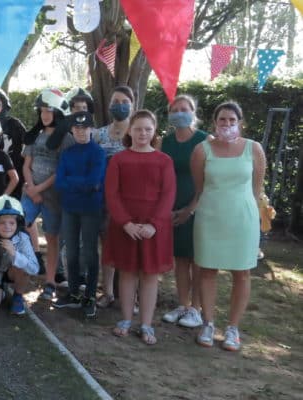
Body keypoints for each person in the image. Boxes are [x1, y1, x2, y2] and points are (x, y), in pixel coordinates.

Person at [192, 102, 266, 351]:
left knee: (242, 273)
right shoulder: (202, 150)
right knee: (208, 270)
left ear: (240, 122)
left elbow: (256, 188)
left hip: (242, 220)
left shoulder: (253, 149)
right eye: (222, 119)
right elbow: (200, 187)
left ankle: (233, 329)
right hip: (210, 217)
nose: (227, 124)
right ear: (215, 122)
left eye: (232, 120)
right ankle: (208, 323)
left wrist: (253, 215)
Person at [104, 110, 176, 345]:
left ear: (154, 131)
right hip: (125, 226)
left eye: (147, 129)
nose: (142, 133)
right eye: (138, 128)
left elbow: (168, 195)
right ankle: (125, 319)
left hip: (154, 227)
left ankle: (146, 324)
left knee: (149, 276)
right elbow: (112, 194)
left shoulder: (164, 160)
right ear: (130, 131)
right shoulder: (119, 159)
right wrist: (125, 222)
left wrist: (154, 225)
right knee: (127, 273)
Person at [159, 95, 208, 329]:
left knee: (197, 259)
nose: (179, 113)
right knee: (180, 259)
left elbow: (209, 180)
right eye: (175, 109)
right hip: (171, 209)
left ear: (193, 112)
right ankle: (182, 304)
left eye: (184, 109)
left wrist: (190, 209)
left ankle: (196, 309)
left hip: (198, 208)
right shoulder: (164, 142)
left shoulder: (204, 141)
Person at [22, 88, 74, 301]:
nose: (44, 115)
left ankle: (50, 281)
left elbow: (60, 170)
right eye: (42, 110)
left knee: (52, 239)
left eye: (49, 110)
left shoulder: (67, 139)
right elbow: (26, 165)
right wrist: (31, 187)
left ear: (59, 112)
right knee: (15, 226)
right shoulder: (35, 136)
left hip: (53, 197)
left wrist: (39, 189)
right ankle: (15, 274)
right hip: (31, 192)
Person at [52, 111, 106, 318]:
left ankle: (90, 295)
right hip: (69, 208)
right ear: (72, 130)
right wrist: (81, 183)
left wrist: (72, 182)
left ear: (91, 129)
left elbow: (94, 182)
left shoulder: (97, 152)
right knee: (72, 252)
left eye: (85, 128)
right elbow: (59, 183)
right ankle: (73, 293)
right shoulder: (68, 153)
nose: (81, 132)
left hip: (91, 209)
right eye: (77, 129)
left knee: (90, 253)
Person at [95, 86, 135, 308]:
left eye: (123, 101)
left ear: (132, 104)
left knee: (130, 245)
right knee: (107, 244)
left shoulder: (138, 132)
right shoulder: (99, 134)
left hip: (130, 199)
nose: (118, 105)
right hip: (104, 198)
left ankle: (131, 295)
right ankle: (108, 291)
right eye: (115, 101)